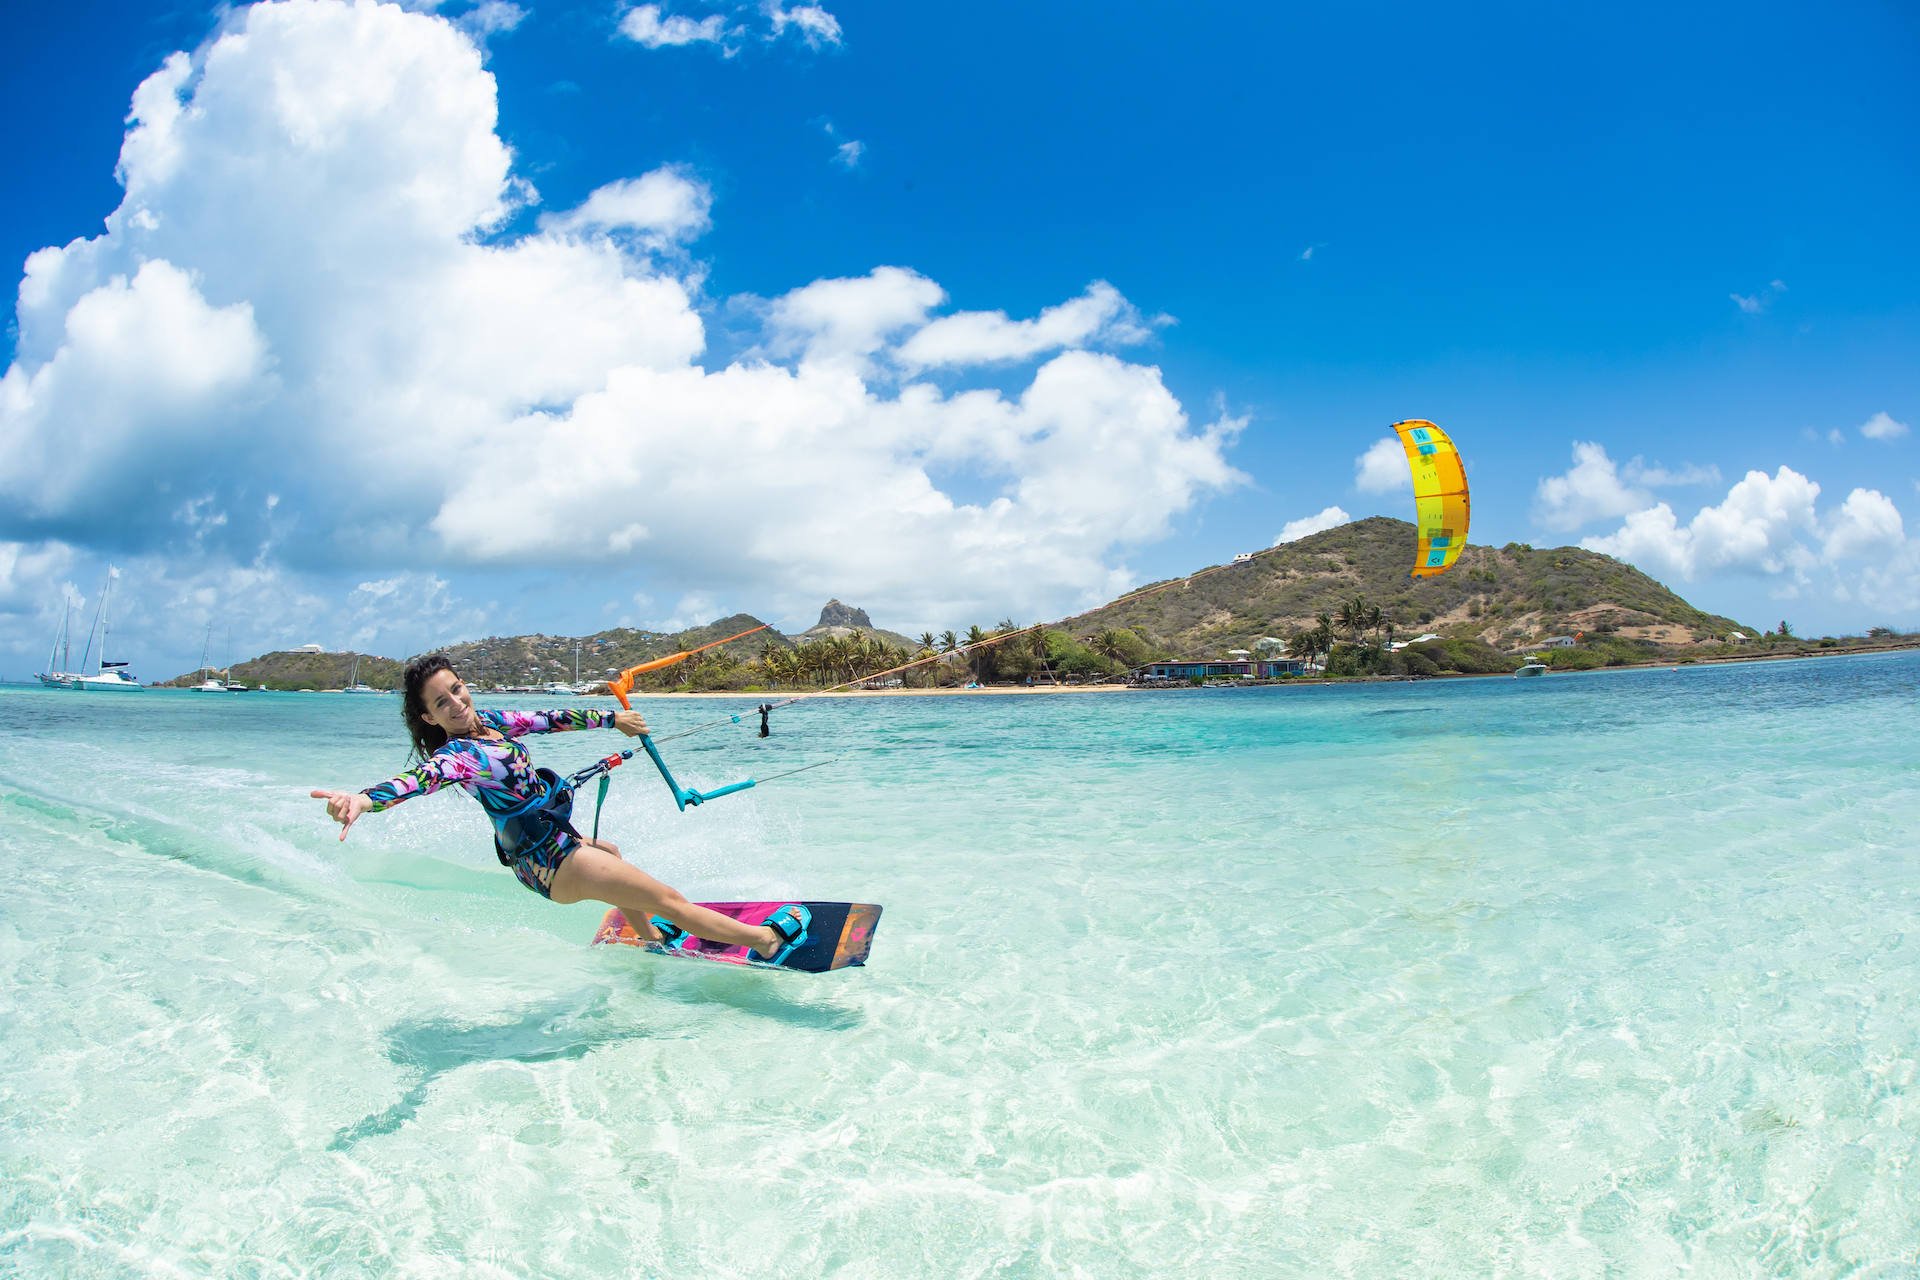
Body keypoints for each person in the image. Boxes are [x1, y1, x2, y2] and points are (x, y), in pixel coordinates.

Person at [310, 653, 808, 961]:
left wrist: (613, 719)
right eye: (442, 703)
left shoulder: (495, 723)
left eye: (457, 689)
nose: (457, 704)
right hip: (550, 863)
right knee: (670, 896)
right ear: (429, 716)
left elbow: (551, 718)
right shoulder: (458, 756)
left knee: (610, 853)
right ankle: (764, 941)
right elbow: (416, 780)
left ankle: (651, 940)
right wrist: (362, 800)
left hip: (549, 849)